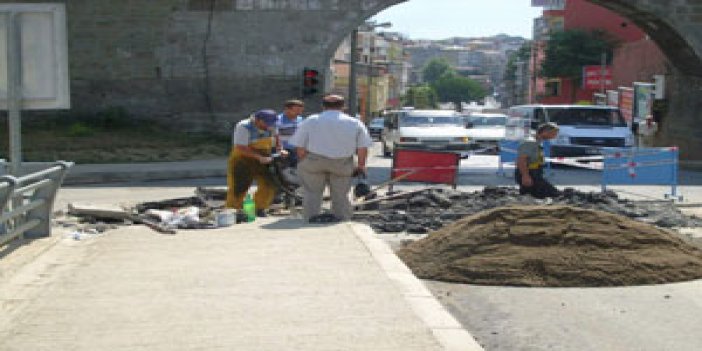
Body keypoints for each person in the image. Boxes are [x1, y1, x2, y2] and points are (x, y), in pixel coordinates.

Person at [289, 94, 373, 222]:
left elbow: (300, 145)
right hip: (342, 163)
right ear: (343, 107)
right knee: (341, 194)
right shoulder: (355, 123)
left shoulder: (311, 120)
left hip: (314, 161)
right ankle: (342, 220)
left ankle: (311, 219)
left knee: (312, 193)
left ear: (323, 106)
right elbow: (363, 148)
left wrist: (303, 159)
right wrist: (361, 166)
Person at [225, 109, 279, 217]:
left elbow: (277, 138)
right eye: (266, 124)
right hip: (242, 159)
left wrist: (279, 150)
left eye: (270, 124)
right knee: (239, 187)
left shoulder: (272, 125)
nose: (268, 127)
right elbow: (241, 147)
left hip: (263, 158)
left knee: (269, 185)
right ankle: (235, 210)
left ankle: (258, 208)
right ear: (258, 120)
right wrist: (258, 157)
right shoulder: (244, 126)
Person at [515, 122, 560, 199]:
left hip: (535, 173)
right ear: (545, 132)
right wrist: (525, 176)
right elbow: (521, 160)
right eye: (554, 133)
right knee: (553, 194)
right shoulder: (530, 142)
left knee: (530, 196)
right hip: (529, 173)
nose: (555, 136)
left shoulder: (538, 142)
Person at [275, 99, 305, 165]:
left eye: (301, 111)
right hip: (285, 151)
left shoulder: (300, 119)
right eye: (296, 111)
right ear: (287, 109)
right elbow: (275, 137)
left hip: (298, 150)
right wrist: (280, 150)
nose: (299, 113)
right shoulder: (278, 121)